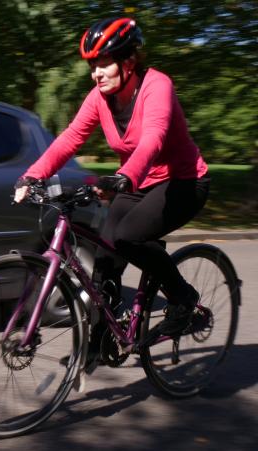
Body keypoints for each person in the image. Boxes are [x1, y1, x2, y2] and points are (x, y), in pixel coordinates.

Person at [13, 17, 211, 355]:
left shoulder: (156, 85)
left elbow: (153, 139)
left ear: (129, 61)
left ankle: (183, 301)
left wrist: (123, 177)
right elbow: (71, 138)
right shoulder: (99, 99)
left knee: (129, 237)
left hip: (183, 181)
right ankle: (102, 339)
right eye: (93, 66)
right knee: (105, 260)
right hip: (137, 183)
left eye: (104, 64)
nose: (96, 73)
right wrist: (33, 175)